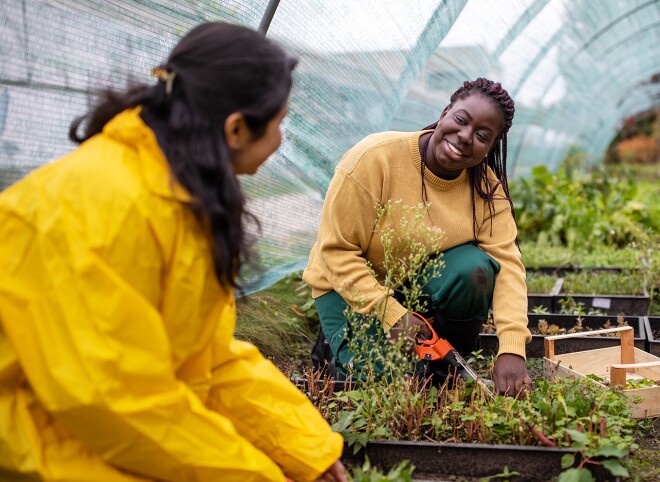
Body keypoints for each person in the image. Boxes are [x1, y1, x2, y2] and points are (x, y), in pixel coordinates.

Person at [0, 23, 346, 482]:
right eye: (280, 123)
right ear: (237, 128)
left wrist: (308, 450)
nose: (282, 139)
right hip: (36, 446)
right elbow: (118, 401)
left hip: (98, 432)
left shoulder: (177, 196)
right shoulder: (100, 208)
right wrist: (256, 474)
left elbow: (207, 358)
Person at [304, 78, 532, 396]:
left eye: (482, 136)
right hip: (346, 288)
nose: (465, 137)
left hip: (413, 283)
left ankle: (441, 369)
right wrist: (392, 314)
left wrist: (512, 347)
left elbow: (506, 266)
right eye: (461, 120)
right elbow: (335, 251)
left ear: (491, 147)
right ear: (445, 113)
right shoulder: (375, 159)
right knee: (389, 387)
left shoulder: (485, 190)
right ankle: (336, 345)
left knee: (475, 268)